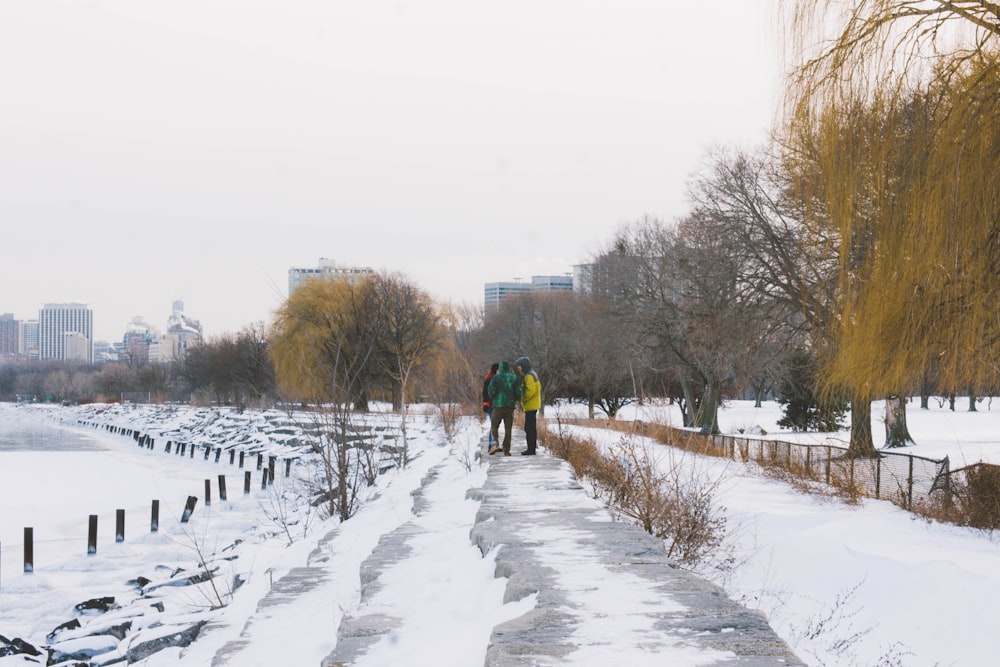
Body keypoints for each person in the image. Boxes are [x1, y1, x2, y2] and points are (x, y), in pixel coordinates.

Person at [487, 360, 521, 456]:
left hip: (498, 406)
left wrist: (494, 397)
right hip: (510, 406)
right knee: (508, 428)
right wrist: (516, 399)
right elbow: (519, 392)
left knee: (494, 426)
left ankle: (495, 444)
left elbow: (490, 391)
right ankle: (506, 450)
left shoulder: (495, 378)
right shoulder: (514, 378)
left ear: (500, 368)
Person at [514, 356, 541, 455]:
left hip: (531, 405)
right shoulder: (532, 374)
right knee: (530, 427)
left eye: (520, 366)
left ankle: (531, 449)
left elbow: (530, 391)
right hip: (532, 405)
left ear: (524, 366)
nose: (519, 368)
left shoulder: (529, 376)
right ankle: (531, 448)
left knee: (529, 428)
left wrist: (523, 399)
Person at [482, 362, 499, 447]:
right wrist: (486, 404)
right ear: (496, 370)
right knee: (494, 426)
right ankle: (491, 447)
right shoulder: (491, 380)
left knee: (494, 426)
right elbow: (486, 394)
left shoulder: (490, 378)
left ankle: (493, 446)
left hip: (492, 405)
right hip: (491, 406)